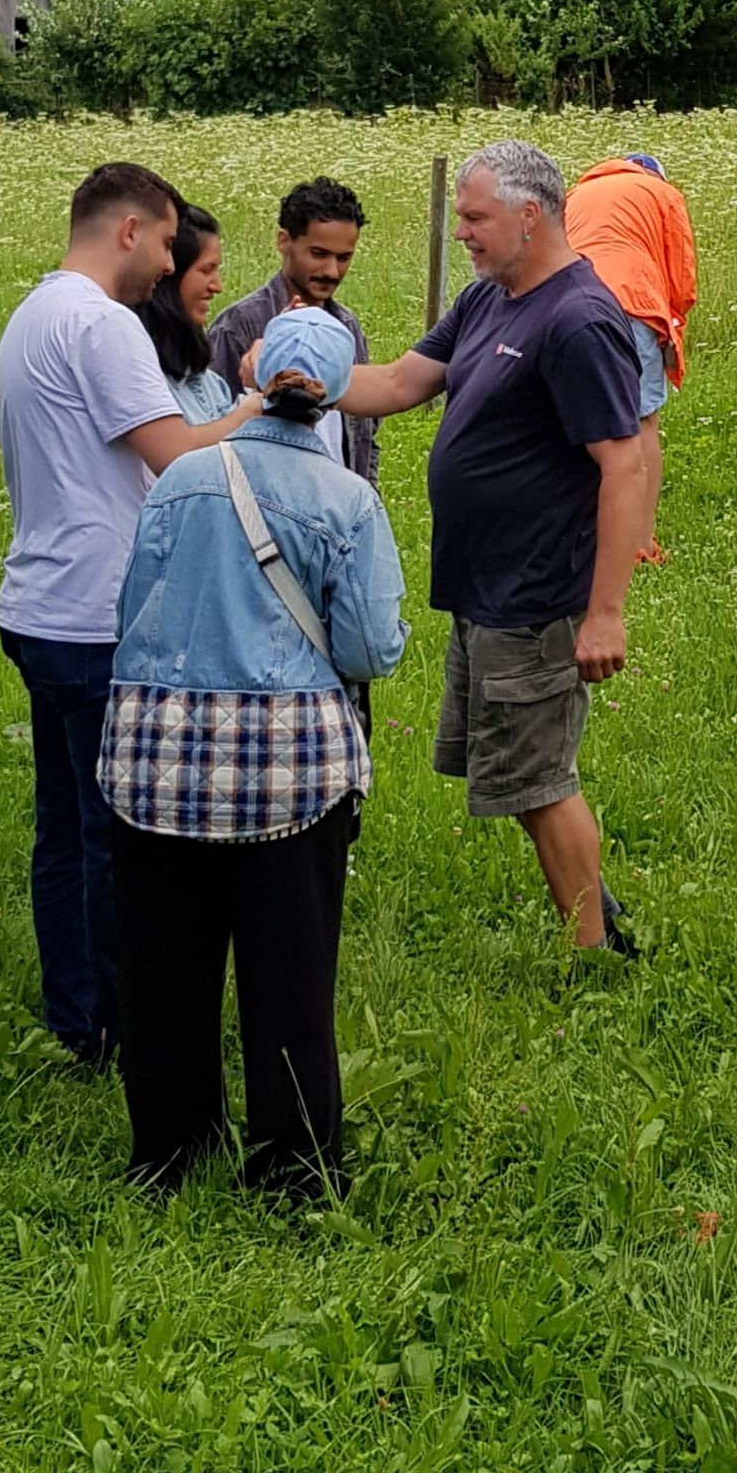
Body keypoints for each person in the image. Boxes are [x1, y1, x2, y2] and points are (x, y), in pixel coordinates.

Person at [295, 139, 646, 954]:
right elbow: (397, 385)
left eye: (475, 217)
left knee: (542, 779)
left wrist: (606, 613)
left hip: (536, 592)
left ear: (532, 215)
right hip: (486, 585)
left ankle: (594, 954)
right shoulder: (492, 296)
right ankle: (596, 917)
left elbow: (624, 465)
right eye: (459, 217)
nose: (462, 233)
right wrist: (297, 380)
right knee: (527, 777)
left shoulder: (578, 319)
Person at [98, 308, 408, 1196]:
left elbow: (135, 609)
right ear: (342, 395)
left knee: (163, 974)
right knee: (290, 980)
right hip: (289, 773)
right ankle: (294, 1167)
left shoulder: (183, 477)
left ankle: (167, 1150)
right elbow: (369, 649)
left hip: (155, 761)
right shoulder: (349, 499)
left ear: (254, 374)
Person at [0, 163, 262, 1069]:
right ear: (129, 230)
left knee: (64, 826)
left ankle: (75, 1015)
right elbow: (176, 453)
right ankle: (120, 1022)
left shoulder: (32, 312)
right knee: (121, 835)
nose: (168, 264)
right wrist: (261, 407)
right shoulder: (103, 324)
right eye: (165, 242)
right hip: (98, 614)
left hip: (37, 604)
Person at [565, 152, 697, 564]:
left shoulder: (574, 193)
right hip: (632, 301)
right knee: (641, 421)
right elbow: (682, 275)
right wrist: (672, 323)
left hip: (572, 304)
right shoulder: (662, 193)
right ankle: (640, 543)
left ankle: (576, 536)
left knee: (574, 421)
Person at [209, 176, 379, 486]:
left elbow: (365, 434)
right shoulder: (238, 327)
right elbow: (214, 431)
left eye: (344, 258)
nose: (331, 271)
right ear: (283, 241)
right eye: (319, 254)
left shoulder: (347, 328)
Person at [138, 202, 234, 424]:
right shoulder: (147, 380)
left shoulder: (210, 382)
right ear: (170, 273)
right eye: (206, 270)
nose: (217, 286)